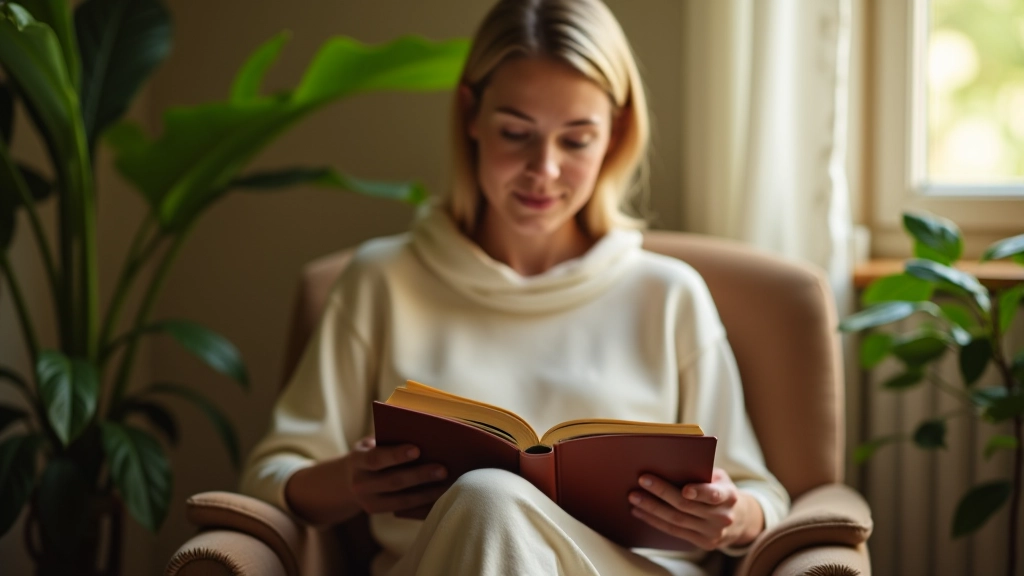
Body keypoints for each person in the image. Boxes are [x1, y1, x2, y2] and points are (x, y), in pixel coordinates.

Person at [240, 0, 789, 574]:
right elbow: (270, 477)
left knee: (490, 497)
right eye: (516, 132)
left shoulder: (669, 295)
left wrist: (733, 514)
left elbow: (763, 496)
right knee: (487, 502)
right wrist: (350, 482)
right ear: (471, 116)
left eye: (576, 140)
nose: (543, 169)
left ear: (615, 135)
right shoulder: (382, 282)